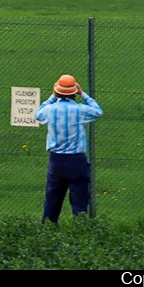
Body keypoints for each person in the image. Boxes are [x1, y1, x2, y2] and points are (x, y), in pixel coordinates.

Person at [34, 74, 103, 223]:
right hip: (76, 160)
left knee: (52, 200)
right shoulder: (79, 110)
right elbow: (98, 111)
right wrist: (83, 93)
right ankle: (81, 230)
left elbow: (38, 114)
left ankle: (47, 230)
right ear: (74, 91)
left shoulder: (50, 110)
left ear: (56, 91)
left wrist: (52, 97)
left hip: (56, 160)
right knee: (80, 201)